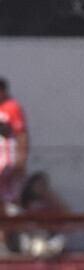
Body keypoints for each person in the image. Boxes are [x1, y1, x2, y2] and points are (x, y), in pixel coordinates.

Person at [0, 77, 30, 252]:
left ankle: (16, 238)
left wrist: (22, 159)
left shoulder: (12, 108)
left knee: (11, 201)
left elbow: (21, 134)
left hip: (8, 162)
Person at [17, 171, 68, 259]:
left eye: (42, 185)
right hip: (32, 237)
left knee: (60, 240)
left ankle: (45, 251)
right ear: (31, 186)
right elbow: (22, 223)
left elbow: (65, 212)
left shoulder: (51, 201)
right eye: (37, 185)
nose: (39, 188)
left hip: (48, 236)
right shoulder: (25, 203)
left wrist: (52, 197)